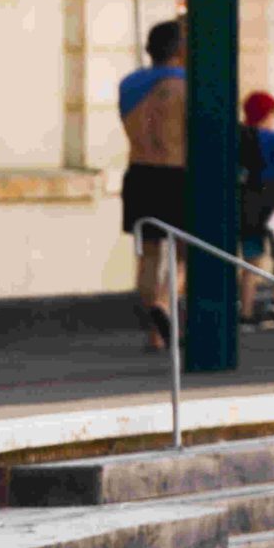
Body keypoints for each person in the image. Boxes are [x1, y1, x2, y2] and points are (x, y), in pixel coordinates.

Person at [119, 18, 188, 351]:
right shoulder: (188, 84)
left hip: (139, 171)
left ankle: (154, 332)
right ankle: (163, 303)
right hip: (177, 173)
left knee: (147, 254)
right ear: (180, 49)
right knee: (185, 253)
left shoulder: (129, 85)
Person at [237, 89, 274, 326]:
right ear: (267, 114)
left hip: (247, 206)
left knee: (251, 262)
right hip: (273, 204)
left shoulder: (239, 137)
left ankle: (245, 314)